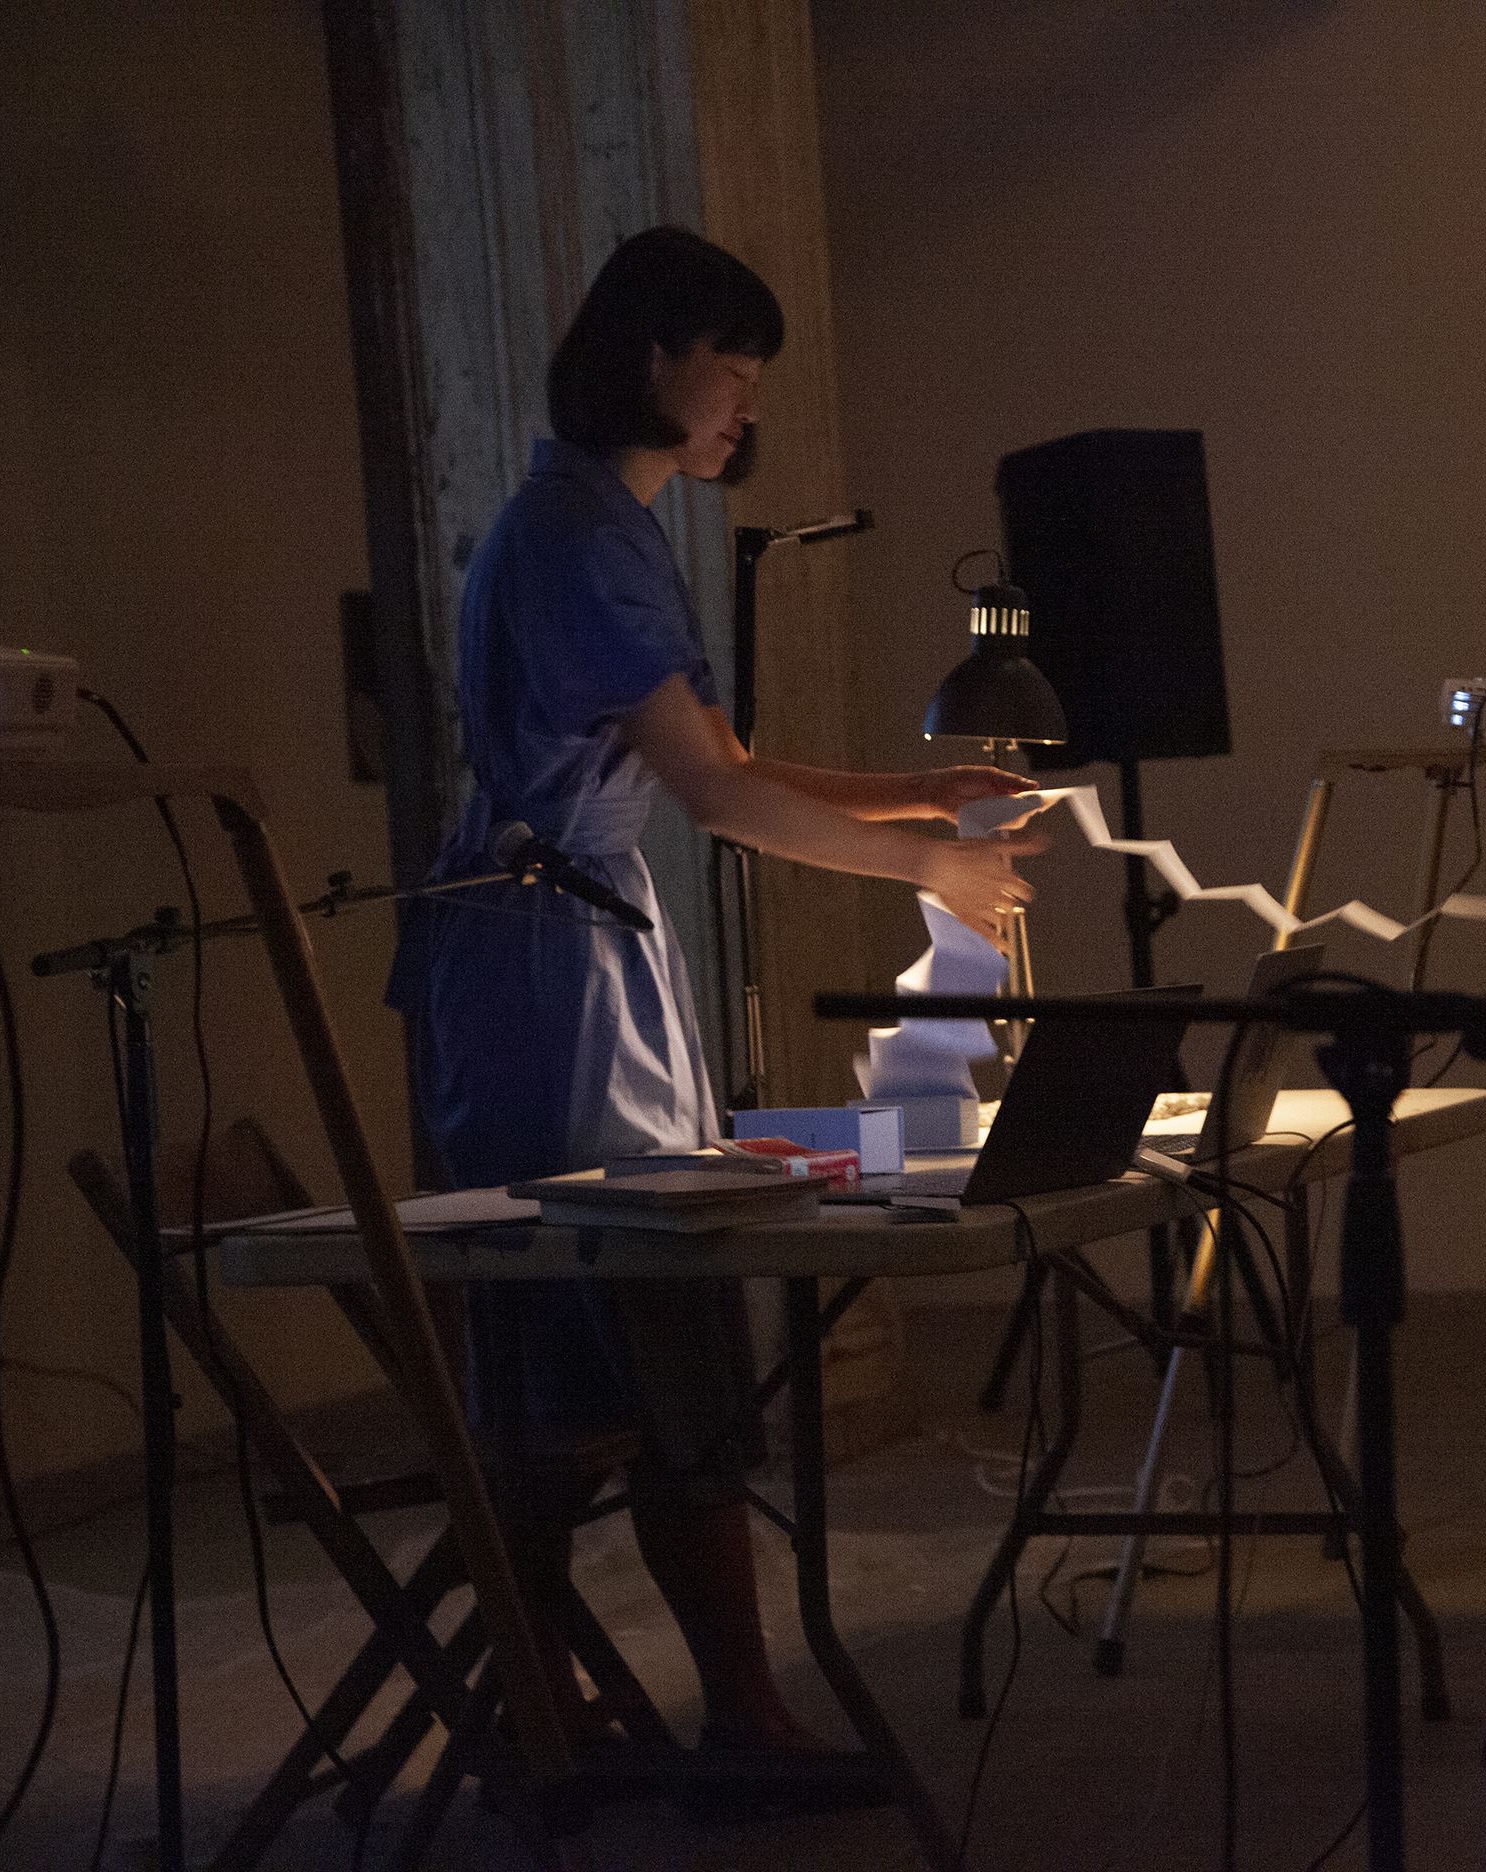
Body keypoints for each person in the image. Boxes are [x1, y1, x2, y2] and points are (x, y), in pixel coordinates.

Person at [385, 226, 1046, 1757]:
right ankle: (737, 1724)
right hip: (548, 971)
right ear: (651, 358)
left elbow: (728, 769)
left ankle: (572, 1710)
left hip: (571, 945)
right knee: (639, 1308)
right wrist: (930, 874)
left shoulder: (602, 526)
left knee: (590, 1331)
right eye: (731, 370)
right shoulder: (576, 536)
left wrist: (919, 797)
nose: (745, 405)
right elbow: (720, 805)